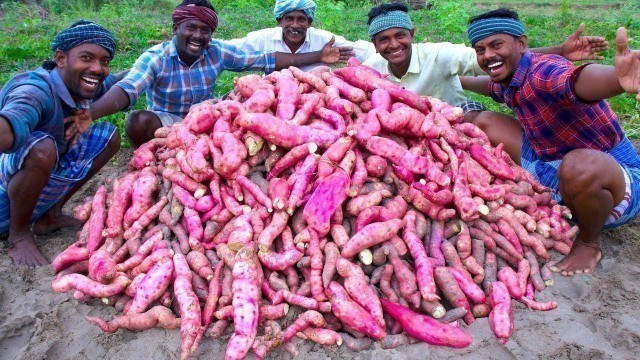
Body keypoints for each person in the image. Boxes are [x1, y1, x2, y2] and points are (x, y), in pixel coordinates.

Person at [461, 8, 640, 276]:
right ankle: (559, 195)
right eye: (480, 49)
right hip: (551, 165)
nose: (488, 55)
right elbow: (486, 85)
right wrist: (452, 77)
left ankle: (588, 243)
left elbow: (576, 80)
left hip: (612, 182)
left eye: (496, 45)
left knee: (580, 165)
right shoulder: (509, 75)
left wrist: (617, 79)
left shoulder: (545, 72)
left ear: (521, 44)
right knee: (483, 120)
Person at [88, 0, 354, 148]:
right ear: (175, 29)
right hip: (166, 119)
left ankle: (199, 146)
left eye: (205, 30)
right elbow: (129, 89)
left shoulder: (216, 51)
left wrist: (318, 57)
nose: (198, 36)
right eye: (191, 28)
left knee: (236, 107)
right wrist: (90, 114)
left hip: (206, 115)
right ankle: (146, 158)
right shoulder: (156, 57)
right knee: (137, 120)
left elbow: (268, 60)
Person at [0, 20, 122, 266]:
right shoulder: (36, 89)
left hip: (36, 191)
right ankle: (19, 234)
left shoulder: (85, 83)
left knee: (109, 136)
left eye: (104, 61)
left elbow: (124, 79)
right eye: (86, 58)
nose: (97, 68)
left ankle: (49, 216)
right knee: (42, 148)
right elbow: (14, 119)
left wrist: (160, 59)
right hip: (4, 199)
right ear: (61, 58)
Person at [363, 3, 609, 123]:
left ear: (412, 35)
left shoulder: (438, 55)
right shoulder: (370, 68)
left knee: (480, 123)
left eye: (400, 36)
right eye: (384, 40)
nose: (393, 44)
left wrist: (560, 51)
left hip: (456, 116)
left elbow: (496, 57)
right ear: (374, 44)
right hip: (406, 127)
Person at [225, 0, 376, 71]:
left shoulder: (324, 40)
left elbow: (365, 50)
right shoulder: (263, 39)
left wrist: (388, 49)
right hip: (273, 98)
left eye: (301, 19)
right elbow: (229, 48)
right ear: (279, 21)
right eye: (289, 19)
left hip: (318, 99)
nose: (295, 25)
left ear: (309, 22)